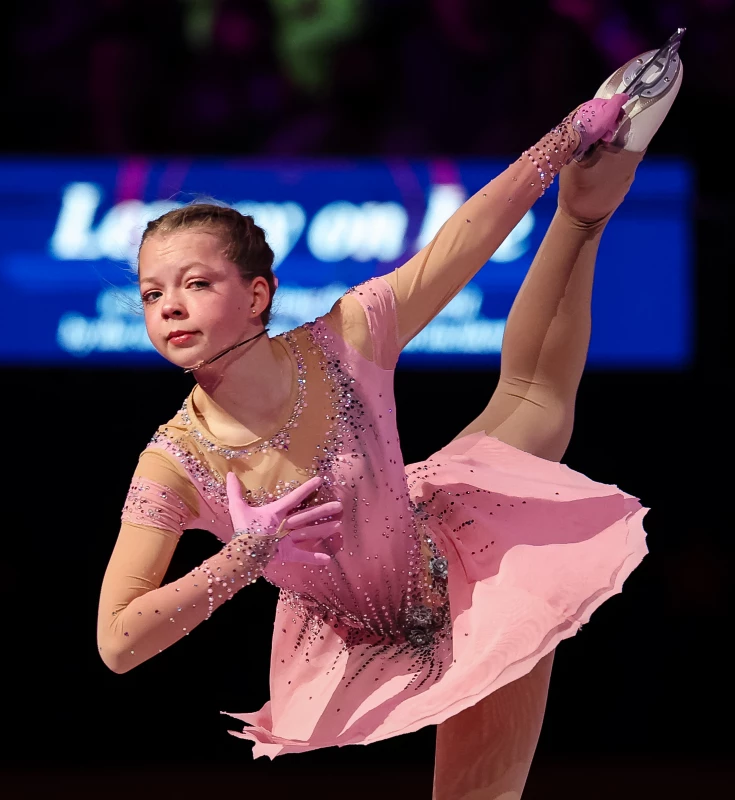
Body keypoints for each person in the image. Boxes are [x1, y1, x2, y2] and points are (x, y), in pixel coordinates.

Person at [97, 33, 683, 798]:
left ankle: (588, 202)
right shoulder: (175, 462)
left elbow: (462, 241)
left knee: (536, 400)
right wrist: (244, 558)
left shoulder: (342, 340)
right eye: (151, 293)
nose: (169, 306)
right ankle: (587, 203)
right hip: (359, 641)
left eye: (195, 283)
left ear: (257, 295)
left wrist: (566, 135)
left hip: (464, 568)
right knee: (531, 402)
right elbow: (117, 642)